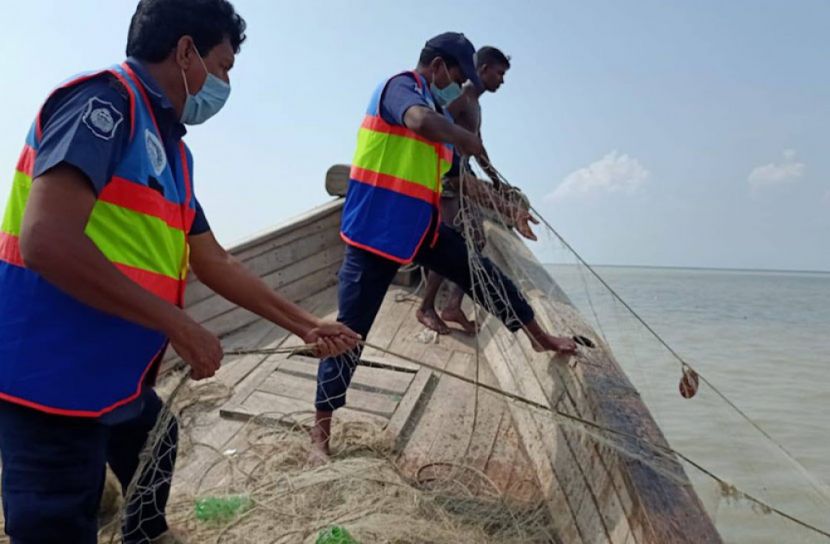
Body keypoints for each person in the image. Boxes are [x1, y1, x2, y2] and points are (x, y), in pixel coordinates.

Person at [0, 1, 359, 543]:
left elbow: (214, 260)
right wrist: (178, 324)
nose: (223, 84)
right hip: (51, 378)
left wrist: (305, 324)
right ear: (186, 51)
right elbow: (47, 240)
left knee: (156, 438)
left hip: (114, 375)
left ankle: (144, 535)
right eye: (223, 67)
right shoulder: (104, 104)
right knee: (56, 519)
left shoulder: (172, 152)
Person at [311, 32, 577, 465]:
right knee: (349, 334)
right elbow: (417, 122)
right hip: (372, 236)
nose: (457, 85)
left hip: (421, 230)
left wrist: (510, 207)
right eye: (456, 75)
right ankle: (320, 434)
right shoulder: (400, 88)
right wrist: (464, 136)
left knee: (484, 275)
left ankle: (539, 337)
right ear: (436, 67)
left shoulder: (437, 110)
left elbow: (463, 183)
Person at [416, 45, 528, 335]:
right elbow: (438, 126)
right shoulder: (461, 97)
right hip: (449, 180)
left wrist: (495, 180)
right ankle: (426, 306)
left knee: (475, 238)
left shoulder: (475, 104)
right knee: (448, 244)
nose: (501, 81)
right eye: (499, 74)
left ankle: (452, 305)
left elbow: (478, 145)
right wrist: (448, 174)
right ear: (483, 70)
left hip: (462, 178)